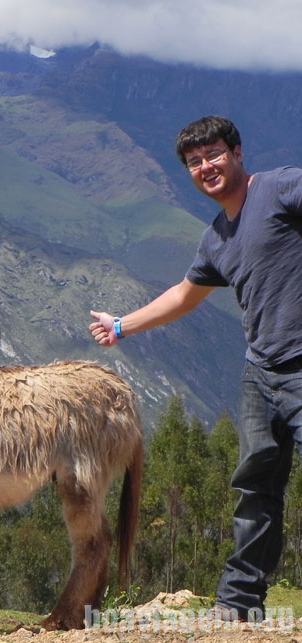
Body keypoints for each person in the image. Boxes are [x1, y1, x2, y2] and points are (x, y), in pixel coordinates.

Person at [89, 115, 302, 623]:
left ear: (238, 152)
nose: (205, 166)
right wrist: (122, 326)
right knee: (255, 488)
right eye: (194, 162)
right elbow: (186, 295)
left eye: (213, 155)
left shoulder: (280, 189)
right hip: (261, 372)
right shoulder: (217, 238)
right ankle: (238, 603)